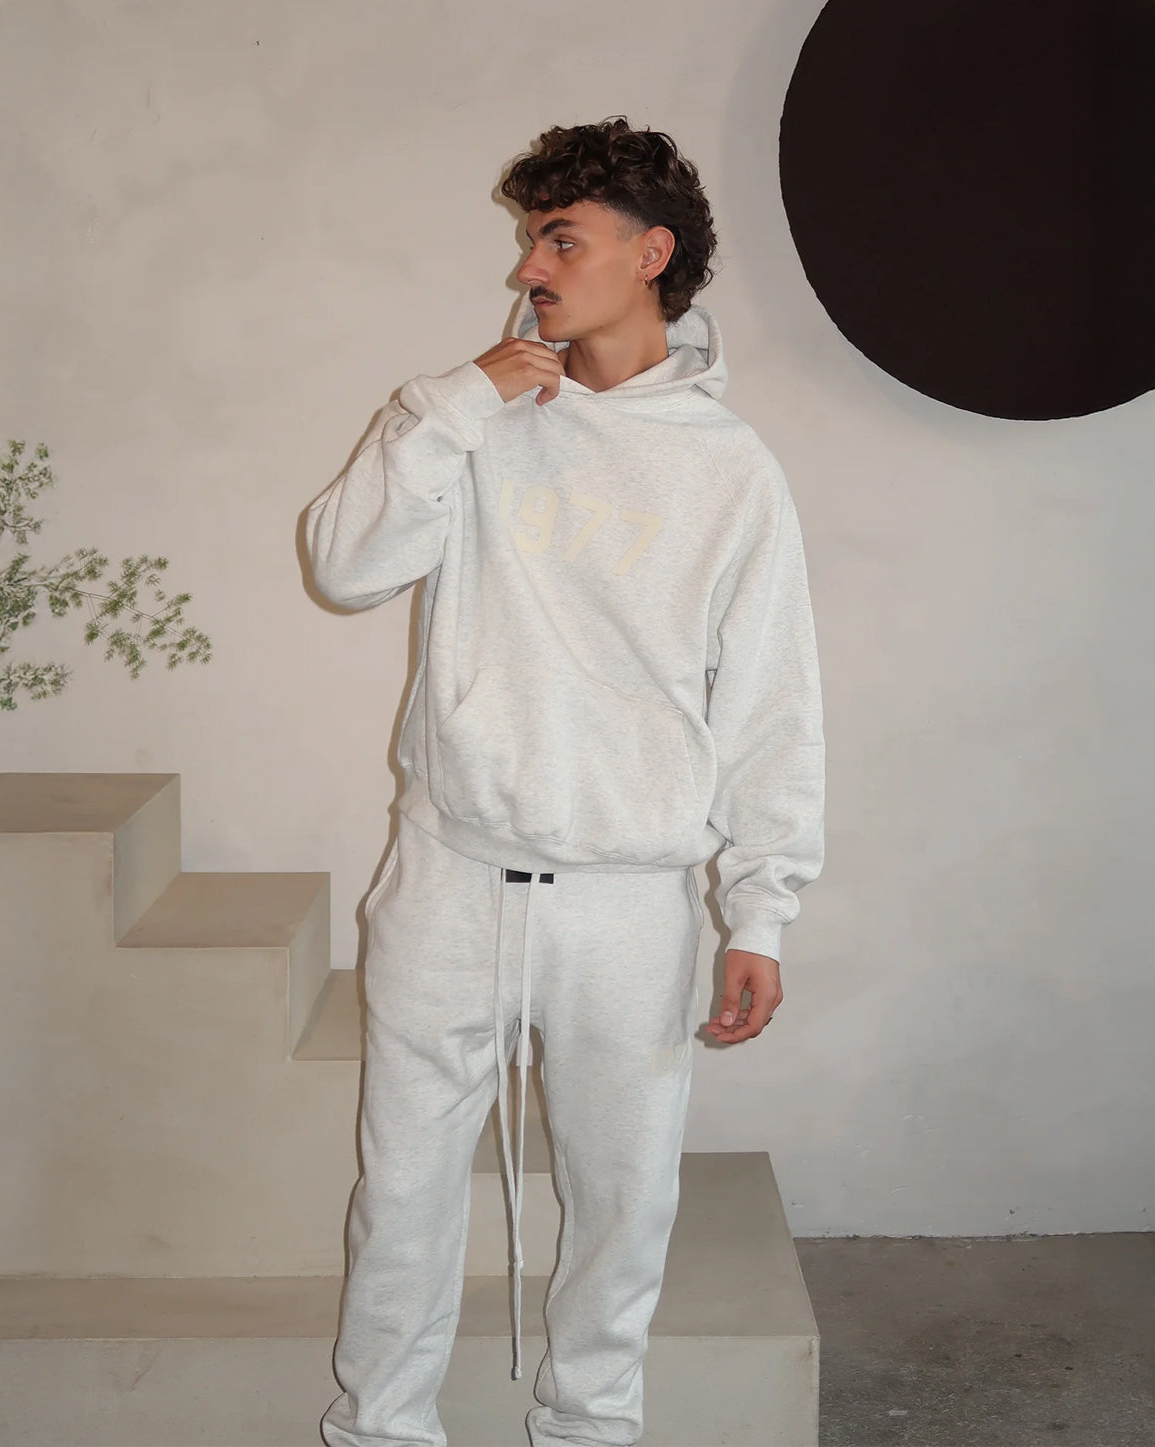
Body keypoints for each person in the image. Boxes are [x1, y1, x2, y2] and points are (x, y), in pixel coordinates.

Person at [306, 116, 825, 1447]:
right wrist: (452, 406)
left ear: (650, 255)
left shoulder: (728, 469)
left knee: (620, 1205)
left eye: (559, 240)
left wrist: (758, 910)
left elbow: (771, 705)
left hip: (627, 899)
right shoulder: (469, 421)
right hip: (450, 872)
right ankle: (380, 1432)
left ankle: (590, 1430)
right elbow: (345, 567)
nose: (528, 269)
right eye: (530, 241)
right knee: (403, 1194)